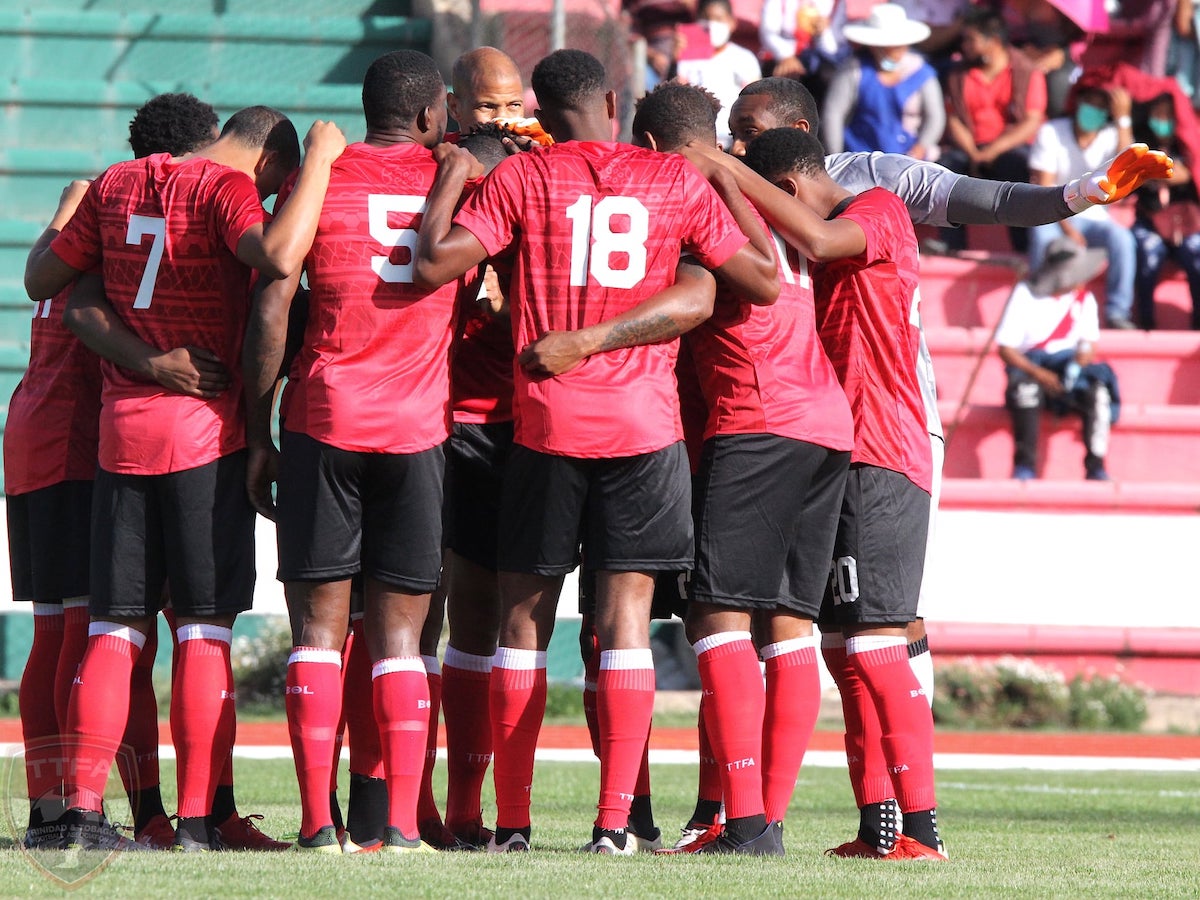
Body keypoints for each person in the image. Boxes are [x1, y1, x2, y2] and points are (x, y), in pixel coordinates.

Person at [414, 47, 778, 854]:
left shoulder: (520, 178)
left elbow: (435, 261)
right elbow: (759, 279)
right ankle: (615, 824)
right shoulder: (676, 182)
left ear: (539, 110)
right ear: (614, 102)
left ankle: (512, 824)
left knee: (521, 624)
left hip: (546, 425)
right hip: (646, 430)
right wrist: (722, 179)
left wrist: (447, 179)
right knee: (624, 625)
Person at [25, 105, 345, 852]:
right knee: (203, 629)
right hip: (206, 434)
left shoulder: (113, 186)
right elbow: (273, 255)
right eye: (278, 183)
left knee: (115, 629)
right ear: (267, 162)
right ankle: (201, 820)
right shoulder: (223, 189)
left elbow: (56, 287)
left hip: (120, 436)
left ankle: (80, 814)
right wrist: (324, 165)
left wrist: (140, 356)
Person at [242, 50, 456, 856]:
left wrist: (258, 427)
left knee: (317, 635)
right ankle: (400, 826)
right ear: (433, 114)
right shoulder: (453, 178)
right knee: (401, 639)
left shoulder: (324, 174)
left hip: (325, 420)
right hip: (417, 429)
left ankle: (316, 824)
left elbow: (272, 304)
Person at [635, 82, 854, 856]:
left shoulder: (702, 200)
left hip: (757, 420)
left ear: (659, 149)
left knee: (718, 616)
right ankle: (768, 819)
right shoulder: (776, 199)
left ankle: (747, 822)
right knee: (790, 626)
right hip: (828, 425)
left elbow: (693, 294)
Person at [7, 90, 220, 852]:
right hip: (77, 437)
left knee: (67, 630)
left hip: (33, 431)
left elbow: (40, 278)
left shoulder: (91, 206)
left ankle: (58, 809)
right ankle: (77, 811)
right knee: (98, 633)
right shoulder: (131, 212)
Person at [738, 126, 945, 861]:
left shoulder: (879, 207)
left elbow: (825, 245)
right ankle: (878, 824)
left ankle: (923, 830)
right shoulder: (817, 234)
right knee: (841, 648)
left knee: (876, 639)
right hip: (835, 452)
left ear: (791, 186)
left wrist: (715, 164)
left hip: (882, 452)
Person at [997, 237, 1118, 482]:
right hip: (1031, 369)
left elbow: (1088, 344)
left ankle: (1096, 465)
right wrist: (1040, 374)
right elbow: (1006, 348)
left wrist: (1078, 363)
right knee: (1025, 391)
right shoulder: (1025, 294)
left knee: (1098, 392)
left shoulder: (1084, 300)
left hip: (1068, 369)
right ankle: (1025, 466)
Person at [938, 6, 1048, 252]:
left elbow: (1031, 121)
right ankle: (951, 247)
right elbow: (953, 118)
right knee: (945, 169)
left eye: (971, 39)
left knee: (1019, 170)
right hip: (969, 148)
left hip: (1008, 147)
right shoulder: (958, 74)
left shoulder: (1026, 72)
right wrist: (974, 152)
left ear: (994, 41)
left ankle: (1023, 249)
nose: (963, 44)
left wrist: (993, 150)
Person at [1028, 85, 1138, 330]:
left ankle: (1118, 312)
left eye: (1101, 106)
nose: (1094, 110)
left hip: (1094, 217)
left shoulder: (1110, 135)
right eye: (1089, 101)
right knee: (1040, 236)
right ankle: (1035, 304)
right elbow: (1045, 190)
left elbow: (1128, 165)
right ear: (1077, 102)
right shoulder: (1051, 132)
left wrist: (1123, 118)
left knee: (1123, 240)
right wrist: (1068, 229)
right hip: (1053, 213)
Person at [820, 3, 945, 160]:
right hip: (859, 158)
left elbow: (935, 117)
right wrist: (836, 156)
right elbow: (834, 114)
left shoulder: (922, 72)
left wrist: (922, 146)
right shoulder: (853, 70)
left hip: (909, 160)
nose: (897, 50)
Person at [1130, 92, 1200, 330]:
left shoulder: (1188, 143)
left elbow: (1184, 173)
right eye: (1157, 113)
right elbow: (1126, 168)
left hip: (1186, 225)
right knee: (1148, 253)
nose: (1162, 119)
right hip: (1150, 221)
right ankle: (1145, 322)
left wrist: (1148, 172)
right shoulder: (1140, 141)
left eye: (1168, 114)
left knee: (1196, 253)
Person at [675, 0, 763, 147]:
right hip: (698, 139)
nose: (711, 24)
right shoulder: (687, 57)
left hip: (733, 139)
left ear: (731, 23)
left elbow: (755, 101)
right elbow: (677, 94)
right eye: (706, 18)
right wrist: (674, 61)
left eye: (718, 19)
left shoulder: (744, 57)